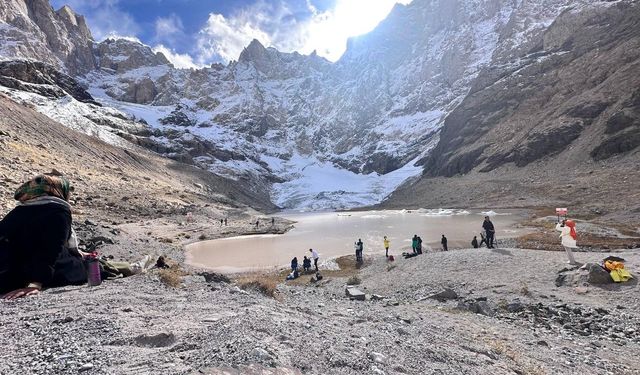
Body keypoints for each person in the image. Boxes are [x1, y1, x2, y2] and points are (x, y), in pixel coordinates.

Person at [0, 175, 87, 299]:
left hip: (11, 272)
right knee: (88, 267)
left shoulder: (20, 210)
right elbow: (52, 248)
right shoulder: (59, 211)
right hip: (45, 272)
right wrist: (35, 283)